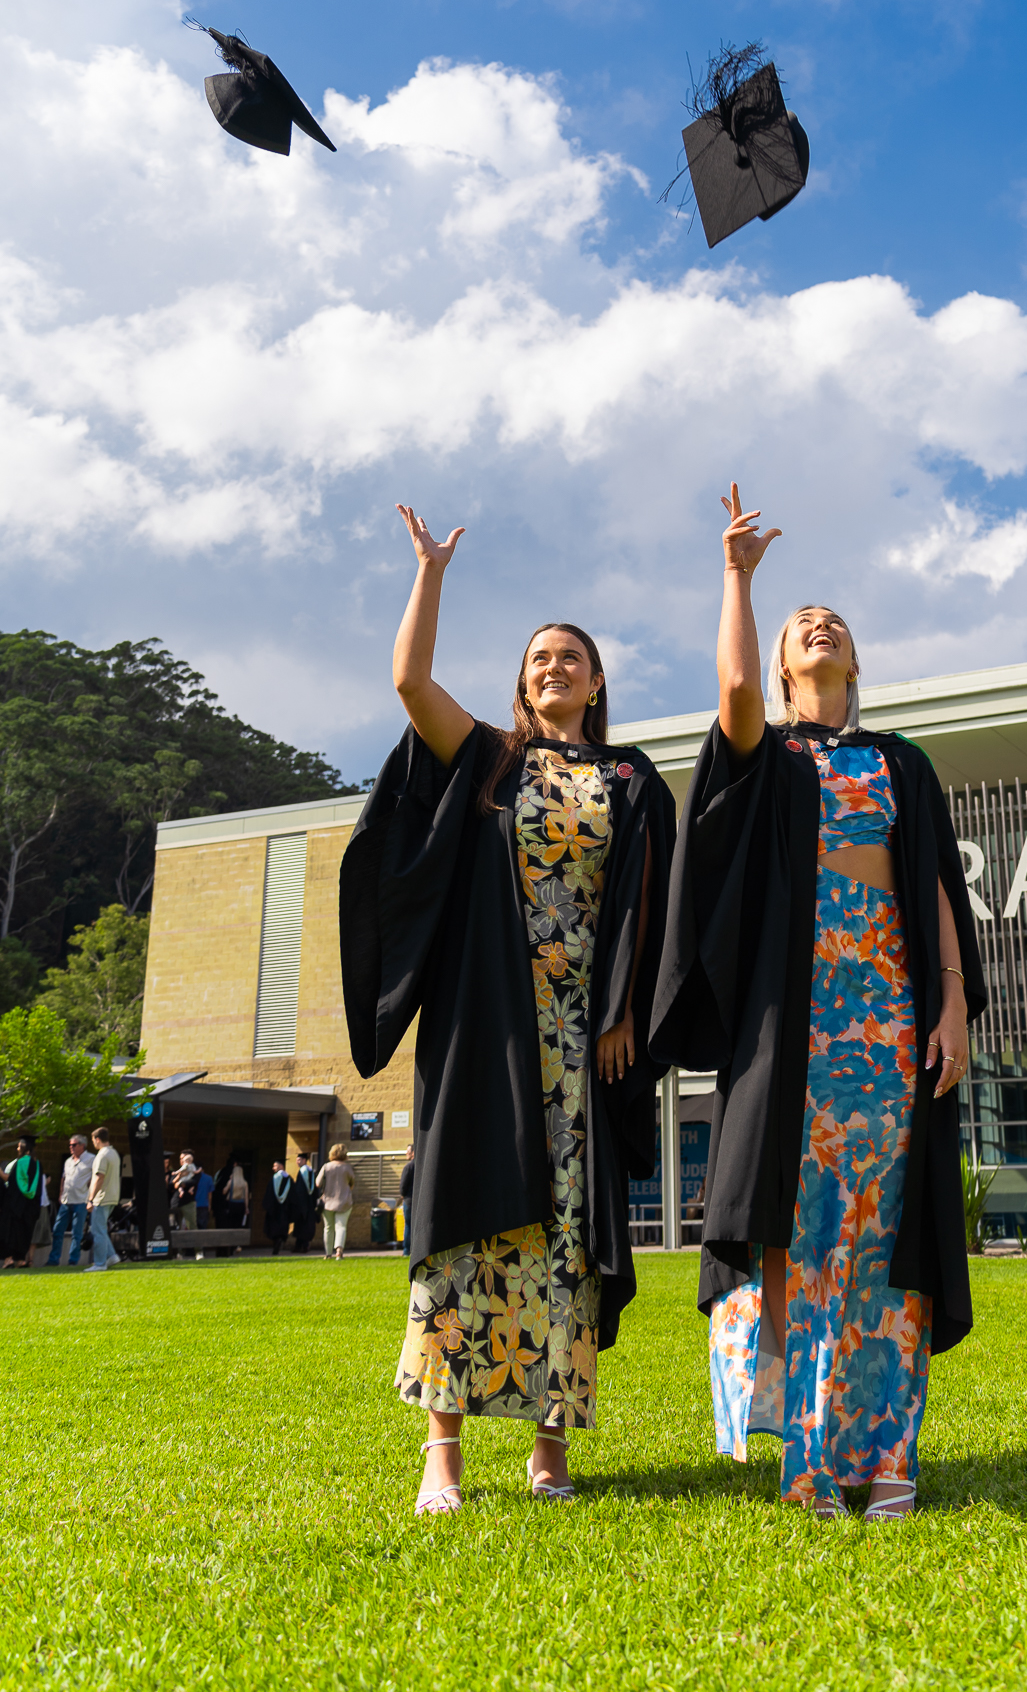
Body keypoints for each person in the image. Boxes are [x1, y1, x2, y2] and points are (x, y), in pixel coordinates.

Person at [649, 485, 986, 1521]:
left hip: (886, 1018)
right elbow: (736, 691)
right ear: (792, 664)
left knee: (887, 1233)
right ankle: (807, 1458)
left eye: (831, 621)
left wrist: (955, 1005)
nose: (821, 626)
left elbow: (933, 888)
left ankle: (888, 1456)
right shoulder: (772, 756)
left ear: (852, 661)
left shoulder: (902, 764)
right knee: (798, 1232)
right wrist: (740, 578)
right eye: (804, 627)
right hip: (793, 1029)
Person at [340, 504, 675, 1519]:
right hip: (487, 1023)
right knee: (466, 1221)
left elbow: (654, 908)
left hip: (578, 1037)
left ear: (598, 679)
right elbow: (408, 683)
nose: (553, 665)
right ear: (520, 679)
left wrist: (622, 1009)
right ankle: (441, 1453)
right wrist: (430, 573)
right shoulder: (488, 757)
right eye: (538, 655)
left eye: (571, 654)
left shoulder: (629, 777)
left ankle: (549, 1443)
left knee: (565, 1232)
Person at [46, 1134, 95, 1267]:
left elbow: (96, 1178)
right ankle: (53, 1260)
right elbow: (64, 1178)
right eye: (70, 1145)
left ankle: (73, 1261)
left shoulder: (91, 1159)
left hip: (81, 1201)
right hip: (66, 1201)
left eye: (73, 1145)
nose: (71, 1147)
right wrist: (61, 1194)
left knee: (77, 1233)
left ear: (82, 1146)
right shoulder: (68, 1161)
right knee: (57, 1230)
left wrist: (91, 1196)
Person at [1, 1137, 44, 1268]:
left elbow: (11, 1182)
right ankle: (21, 1259)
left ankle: (9, 1259)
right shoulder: (38, 1164)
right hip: (31, 1206)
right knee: (25, 1233)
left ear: (25, 1148)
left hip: (15, 1206)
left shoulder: (19, 1163)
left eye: (19, 1146)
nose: (17, 1149)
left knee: (10, 1232)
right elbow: (38, 1188)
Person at [85, 1126, 121, 1273]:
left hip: (102, 1198)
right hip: (113, 1197)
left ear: (97, 1139)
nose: (93, 1143)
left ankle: (100, 1264)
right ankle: (112, 1256)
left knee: (97, 1231)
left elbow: (99, 1177)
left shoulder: (102, 1155)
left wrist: (90, 1199)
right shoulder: (114, 1153)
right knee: (101, 1229)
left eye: (93, 1140)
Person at [318, 1143, 355, 1259]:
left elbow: (318, 1183)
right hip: (344, 1201)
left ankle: (328, 1253)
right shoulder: (347, 1168)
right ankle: (339, 1251)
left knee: (328, 1228)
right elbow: (352, 1183)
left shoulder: (326, 1167)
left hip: (327, 1201)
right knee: (341, 1226)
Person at [291, 1151, 319, 1252]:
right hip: (310, 1204)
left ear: (304, 1160)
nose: (297, 1162)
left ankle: (302, 1246)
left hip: (302, 1205)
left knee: (301, 1225)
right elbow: (314, 1190)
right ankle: (300, 1245)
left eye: (299, 1160)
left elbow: (299, 1190)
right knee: (305, 1226)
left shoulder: (302, 1172)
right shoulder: (311, 1172)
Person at [264, 1159, 293, 1255]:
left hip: (274, 1210)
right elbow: (294, 1196)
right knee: (283, 1227)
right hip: (285, 1210)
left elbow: (269, 1194)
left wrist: (268, 1206)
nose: (273, 1168)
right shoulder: (289, 1179)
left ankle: (276, 1242)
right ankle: (280, 1239)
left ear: (281, 1166)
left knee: (274, 1228)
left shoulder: (274, 1178)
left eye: (275, 1166)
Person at [172, 1152, 201, 1231]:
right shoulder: (178, 1171)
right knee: (173, 1227)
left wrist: (179, 1183)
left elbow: (192, 1182)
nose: (182, 1160)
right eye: (180, 1158)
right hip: (176, 1203)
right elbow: (172, 1184)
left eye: (184, 1158)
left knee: (192, 1227)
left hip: (188, 1203)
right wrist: (180, 1176)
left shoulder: (193, 1170)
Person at [398, 1144, 415, 1258]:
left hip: (409, 1201)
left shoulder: (408, 1167)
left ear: (413, 1152)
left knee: (408, 1225)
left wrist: (403, 1195)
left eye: (408, 1151)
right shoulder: (424, 1165)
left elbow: (403, 1187)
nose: (406, 1153)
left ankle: (406, 1251)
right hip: (420, 1202)